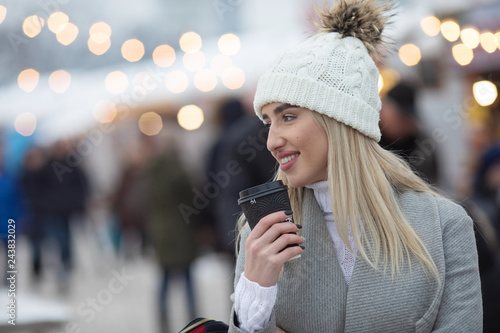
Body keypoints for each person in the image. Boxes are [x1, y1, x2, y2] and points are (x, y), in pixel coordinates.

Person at [228, 1, 482, 332]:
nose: (271, 141)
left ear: (340, 121)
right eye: (268, 122)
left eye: (288, 117)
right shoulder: (263, 237)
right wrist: (255, 295)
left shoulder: (445, 226)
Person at [379, 82, 440, 185]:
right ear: (384, 108)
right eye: (399, 115)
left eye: (408, 116)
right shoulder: (368, 140)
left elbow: (431, 186)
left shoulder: (423, 145)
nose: (404, 122)